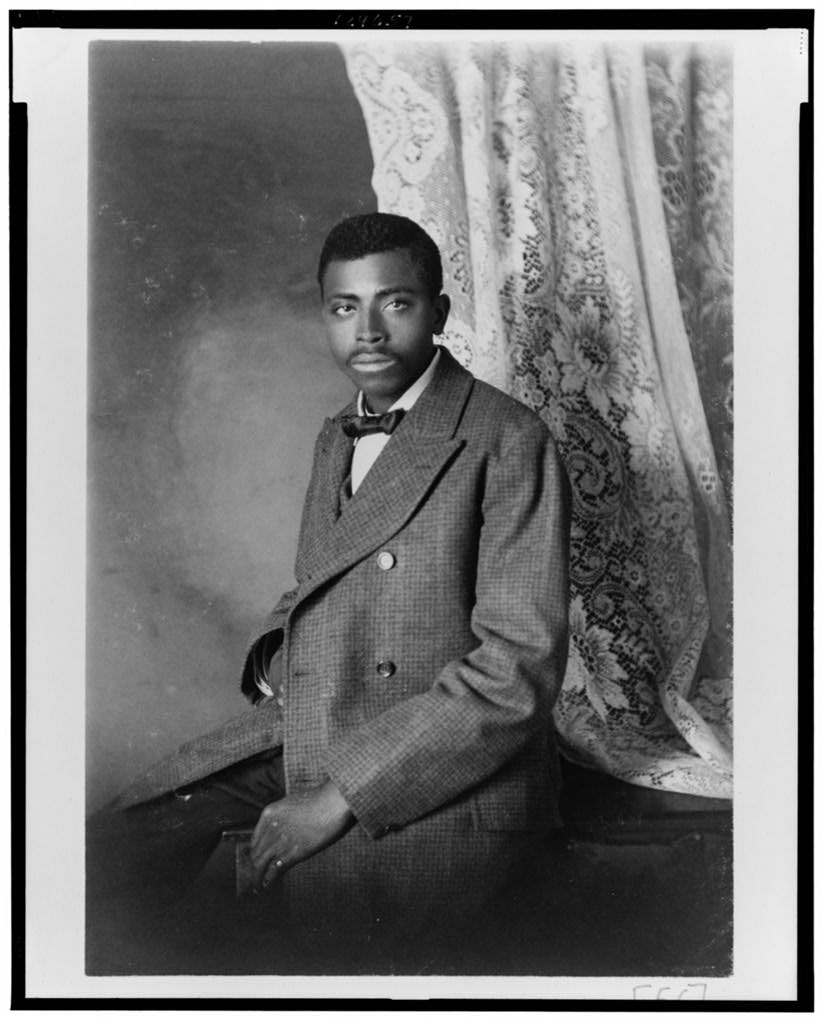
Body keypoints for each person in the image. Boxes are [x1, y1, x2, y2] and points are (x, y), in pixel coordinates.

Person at [86, 212, 571, 974]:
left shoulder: (508, 438)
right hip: (323, 720)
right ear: (325, 316)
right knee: (109, 848)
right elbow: (319, 582)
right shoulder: (336, 432)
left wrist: (337, 795)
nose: (368, 331)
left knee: (344, 953)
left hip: (433, 764)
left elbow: (518, 670)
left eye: (395, 302)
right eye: (345, 307)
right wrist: (276, 654)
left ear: (440, 314)